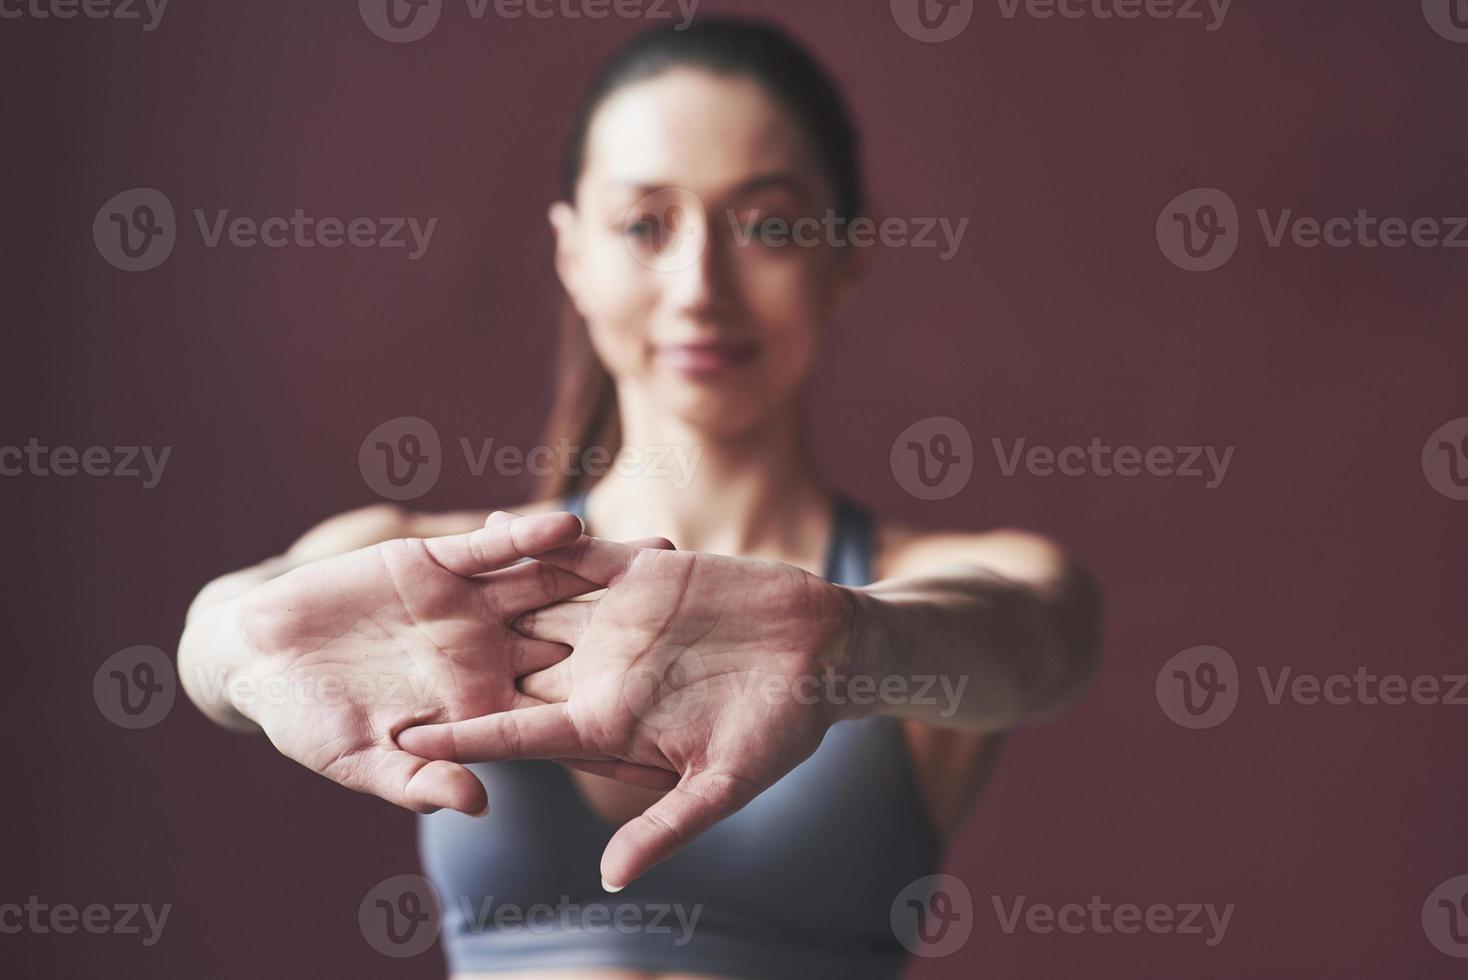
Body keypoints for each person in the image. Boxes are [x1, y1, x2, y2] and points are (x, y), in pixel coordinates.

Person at [177, 17, 1102, 979]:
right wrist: (238, 646)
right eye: (643, 224)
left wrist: (859, 645)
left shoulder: (920, 593)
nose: (699, 284)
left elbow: (1037, 639)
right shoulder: (428, 573)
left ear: (851, 251)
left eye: (770, 225)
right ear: (572, 252)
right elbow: (221, 635)